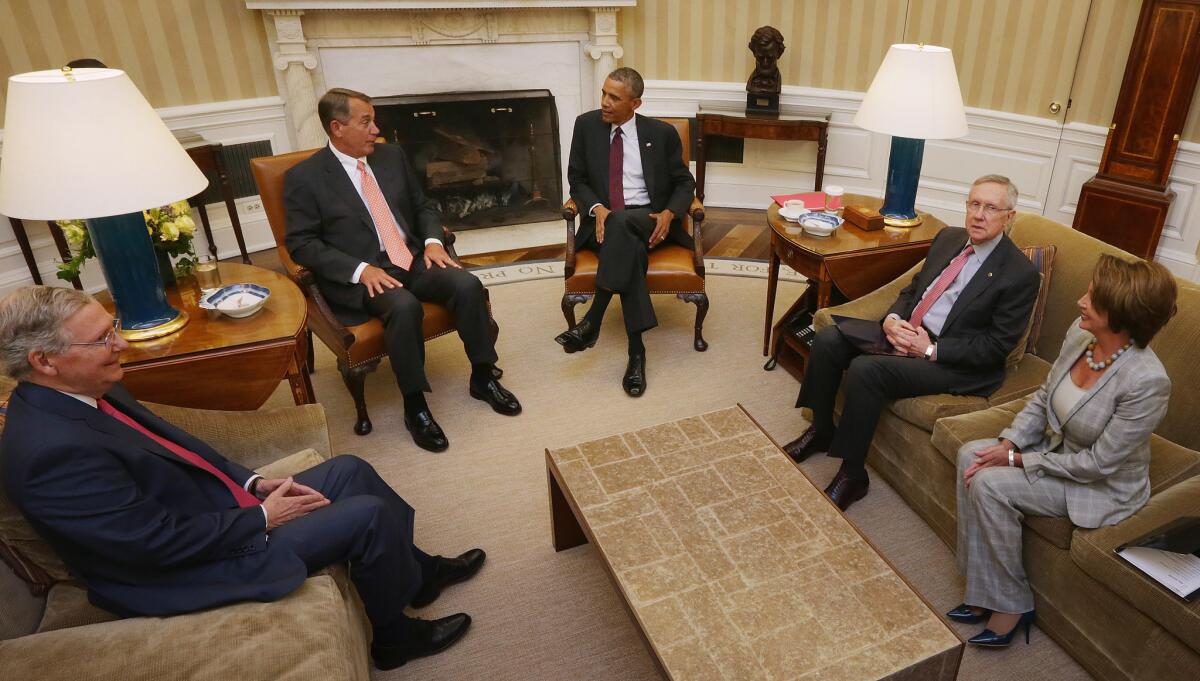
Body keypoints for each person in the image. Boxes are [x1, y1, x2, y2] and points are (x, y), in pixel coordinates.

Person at [0, 286, 486, 670]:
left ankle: (418, 575)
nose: (121, 343)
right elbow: (147, 544)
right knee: (366, 515)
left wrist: (253, 484)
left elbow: (180, 446)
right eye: (103, 338)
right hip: (177, 570)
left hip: (205, 513)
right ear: (45, 360)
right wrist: (260, 518)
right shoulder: (48, 450)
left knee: (351, 470)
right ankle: (394, 641)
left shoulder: (89, 385)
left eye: (114, 329)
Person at [950, 255, 1177, 647]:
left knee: (990, 485)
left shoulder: (1147, 381)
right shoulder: (1080, 334)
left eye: (1093, 297)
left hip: (1099, 483)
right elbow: (1042, 399)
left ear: (1120, 314)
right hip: (1059, 447)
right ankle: (983, 589)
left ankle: (1011, 605)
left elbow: (1098, 464)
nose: (1080, 301)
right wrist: (1009, 443)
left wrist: (1016, 460)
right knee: (971, 453)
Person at [784, 175, 1041, 510]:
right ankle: (821, 429)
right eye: (974, 204)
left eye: (991, 208)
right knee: (830, 338)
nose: (979, 214)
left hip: (954, 362)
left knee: (866, 370)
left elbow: (994, 347)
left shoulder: (1019, 275)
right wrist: (892, 319)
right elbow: (913, 289)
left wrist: (930, 349)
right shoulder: (949, 238)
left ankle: (852, 474)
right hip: (909, 330)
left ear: (1009, 217)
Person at [284, 88, 520, 453]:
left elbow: (423, 205)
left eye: (374, 120)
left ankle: (483, 375)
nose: (376, 129)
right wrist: (360, 270)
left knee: (467, 284)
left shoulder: (391, 157)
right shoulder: (305, 177)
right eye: (366, 122)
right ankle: (415, 405)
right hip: (365, 272)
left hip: (409, 256)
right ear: (337, 128)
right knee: (404, 306)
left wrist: (431, 242)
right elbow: (301, 244)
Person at [555, 67, 697, 397]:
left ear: (635, 103)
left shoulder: (661, 133)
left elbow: (684, 183)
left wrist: (669, 212)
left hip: (648, 220)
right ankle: (637, 353)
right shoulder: (586, 125)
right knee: (623, 236)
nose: (604, 102)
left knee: (623, 224)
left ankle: (592, 320)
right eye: (603, 93)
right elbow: (577, 180)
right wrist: (598, 209)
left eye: (614, 97)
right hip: (604, 222)